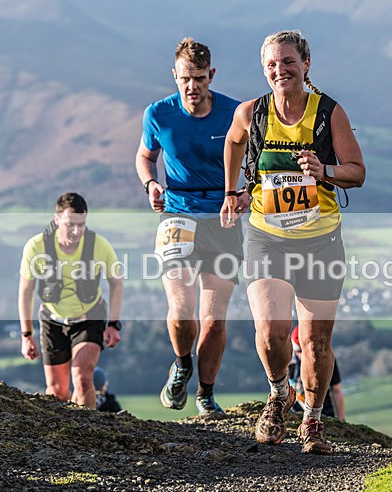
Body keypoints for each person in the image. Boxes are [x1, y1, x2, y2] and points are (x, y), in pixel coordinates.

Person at [221, 30, 365, 454]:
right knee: (271, 332)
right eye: (271, 64)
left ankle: (313, 420)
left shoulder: (329, 113)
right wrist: (231, 192)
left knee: (316, 342)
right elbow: (233, 141)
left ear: (305, 64)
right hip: (267, 237)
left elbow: (357, 172)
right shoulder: (251, 113)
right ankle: (279, 393)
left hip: (321, 241)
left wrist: (324, 171)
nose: (280, 70)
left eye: (288, 62)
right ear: (263, 69)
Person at [136, 37, 247, 416]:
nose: (192, 86)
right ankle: (182, 363)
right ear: (175, 75)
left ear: (211, 75)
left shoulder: (234, 112)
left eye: (199, 78)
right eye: (185, 78)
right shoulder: (158, 114)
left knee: (213, 321)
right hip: (177, 215)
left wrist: (246, 193)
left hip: (222, 218)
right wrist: (151, 184)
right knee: (183, 311)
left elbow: (257, 161)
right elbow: (145, 156)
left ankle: (205, 393)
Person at [18, 192, 123, 409]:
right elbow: (26, 291)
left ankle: (88, 429)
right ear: (57, 220)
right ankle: (62, 429)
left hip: (89, 318)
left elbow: (117, 283)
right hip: (52, 320)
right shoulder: (36, 247)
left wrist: (113, 324)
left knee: (82, 378)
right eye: (70, 225)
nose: (76, 231)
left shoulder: (99, 245)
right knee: (57, 391)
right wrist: (26, 335)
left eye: (81, 225)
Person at [290, 325, 345, 420]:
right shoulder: (289, 363)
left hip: (324, 415)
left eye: (305, 352)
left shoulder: (326, 361)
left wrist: (341, 419)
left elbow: (336, 389)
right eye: (299, 352)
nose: (302, 356)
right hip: (298, 414)